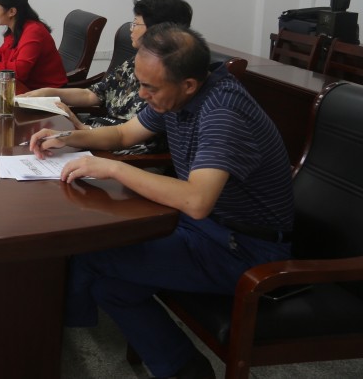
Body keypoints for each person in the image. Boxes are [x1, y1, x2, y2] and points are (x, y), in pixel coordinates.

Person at [29, 24, 293, 379]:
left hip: (243, 250)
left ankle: (44, 338)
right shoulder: (175, 94)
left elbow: (197, 200)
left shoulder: (223, 112)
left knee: (92, 252)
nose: (142, 94)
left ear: (188, 84)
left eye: (149, 88)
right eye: (141, 83)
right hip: (204, 228)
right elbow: (124, 133)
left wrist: (113, 169)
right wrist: (67, 137)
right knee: (111, 287)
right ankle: (185, 368)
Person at [25, 0, 193, 155]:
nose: (131, 29)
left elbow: (130, 139)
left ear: (158, 31)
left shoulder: (170, 84)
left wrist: (79, 127)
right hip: (95, 136)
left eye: (136, 24)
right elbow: (93, 95)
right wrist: (50, 93)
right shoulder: (136, 61)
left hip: (118, 153)